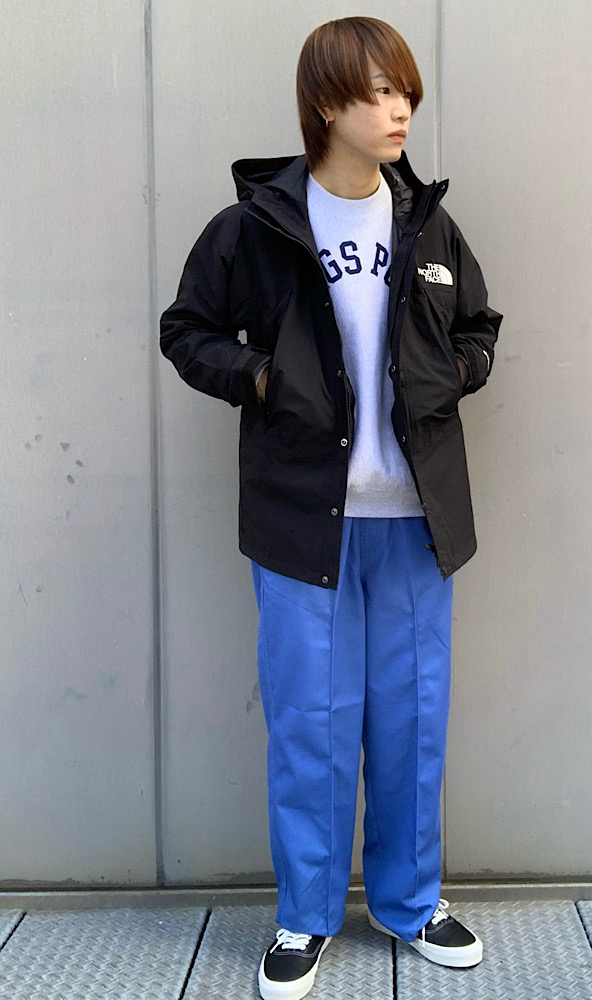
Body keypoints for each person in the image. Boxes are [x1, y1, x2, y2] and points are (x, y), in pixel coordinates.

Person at [160, 16, 502, 1000]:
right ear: (325, 103)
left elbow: (479, 325)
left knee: (412, 722)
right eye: (380, 91)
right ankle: (305, 915)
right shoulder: (258, 225)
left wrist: (458, 371)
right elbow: (187, 330)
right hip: (302, 523)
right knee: (311, 725)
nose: (401, 111)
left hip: (416, 522)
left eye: (407, 93)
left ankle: (410, 901)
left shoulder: (428, 225)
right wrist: (263, 378)